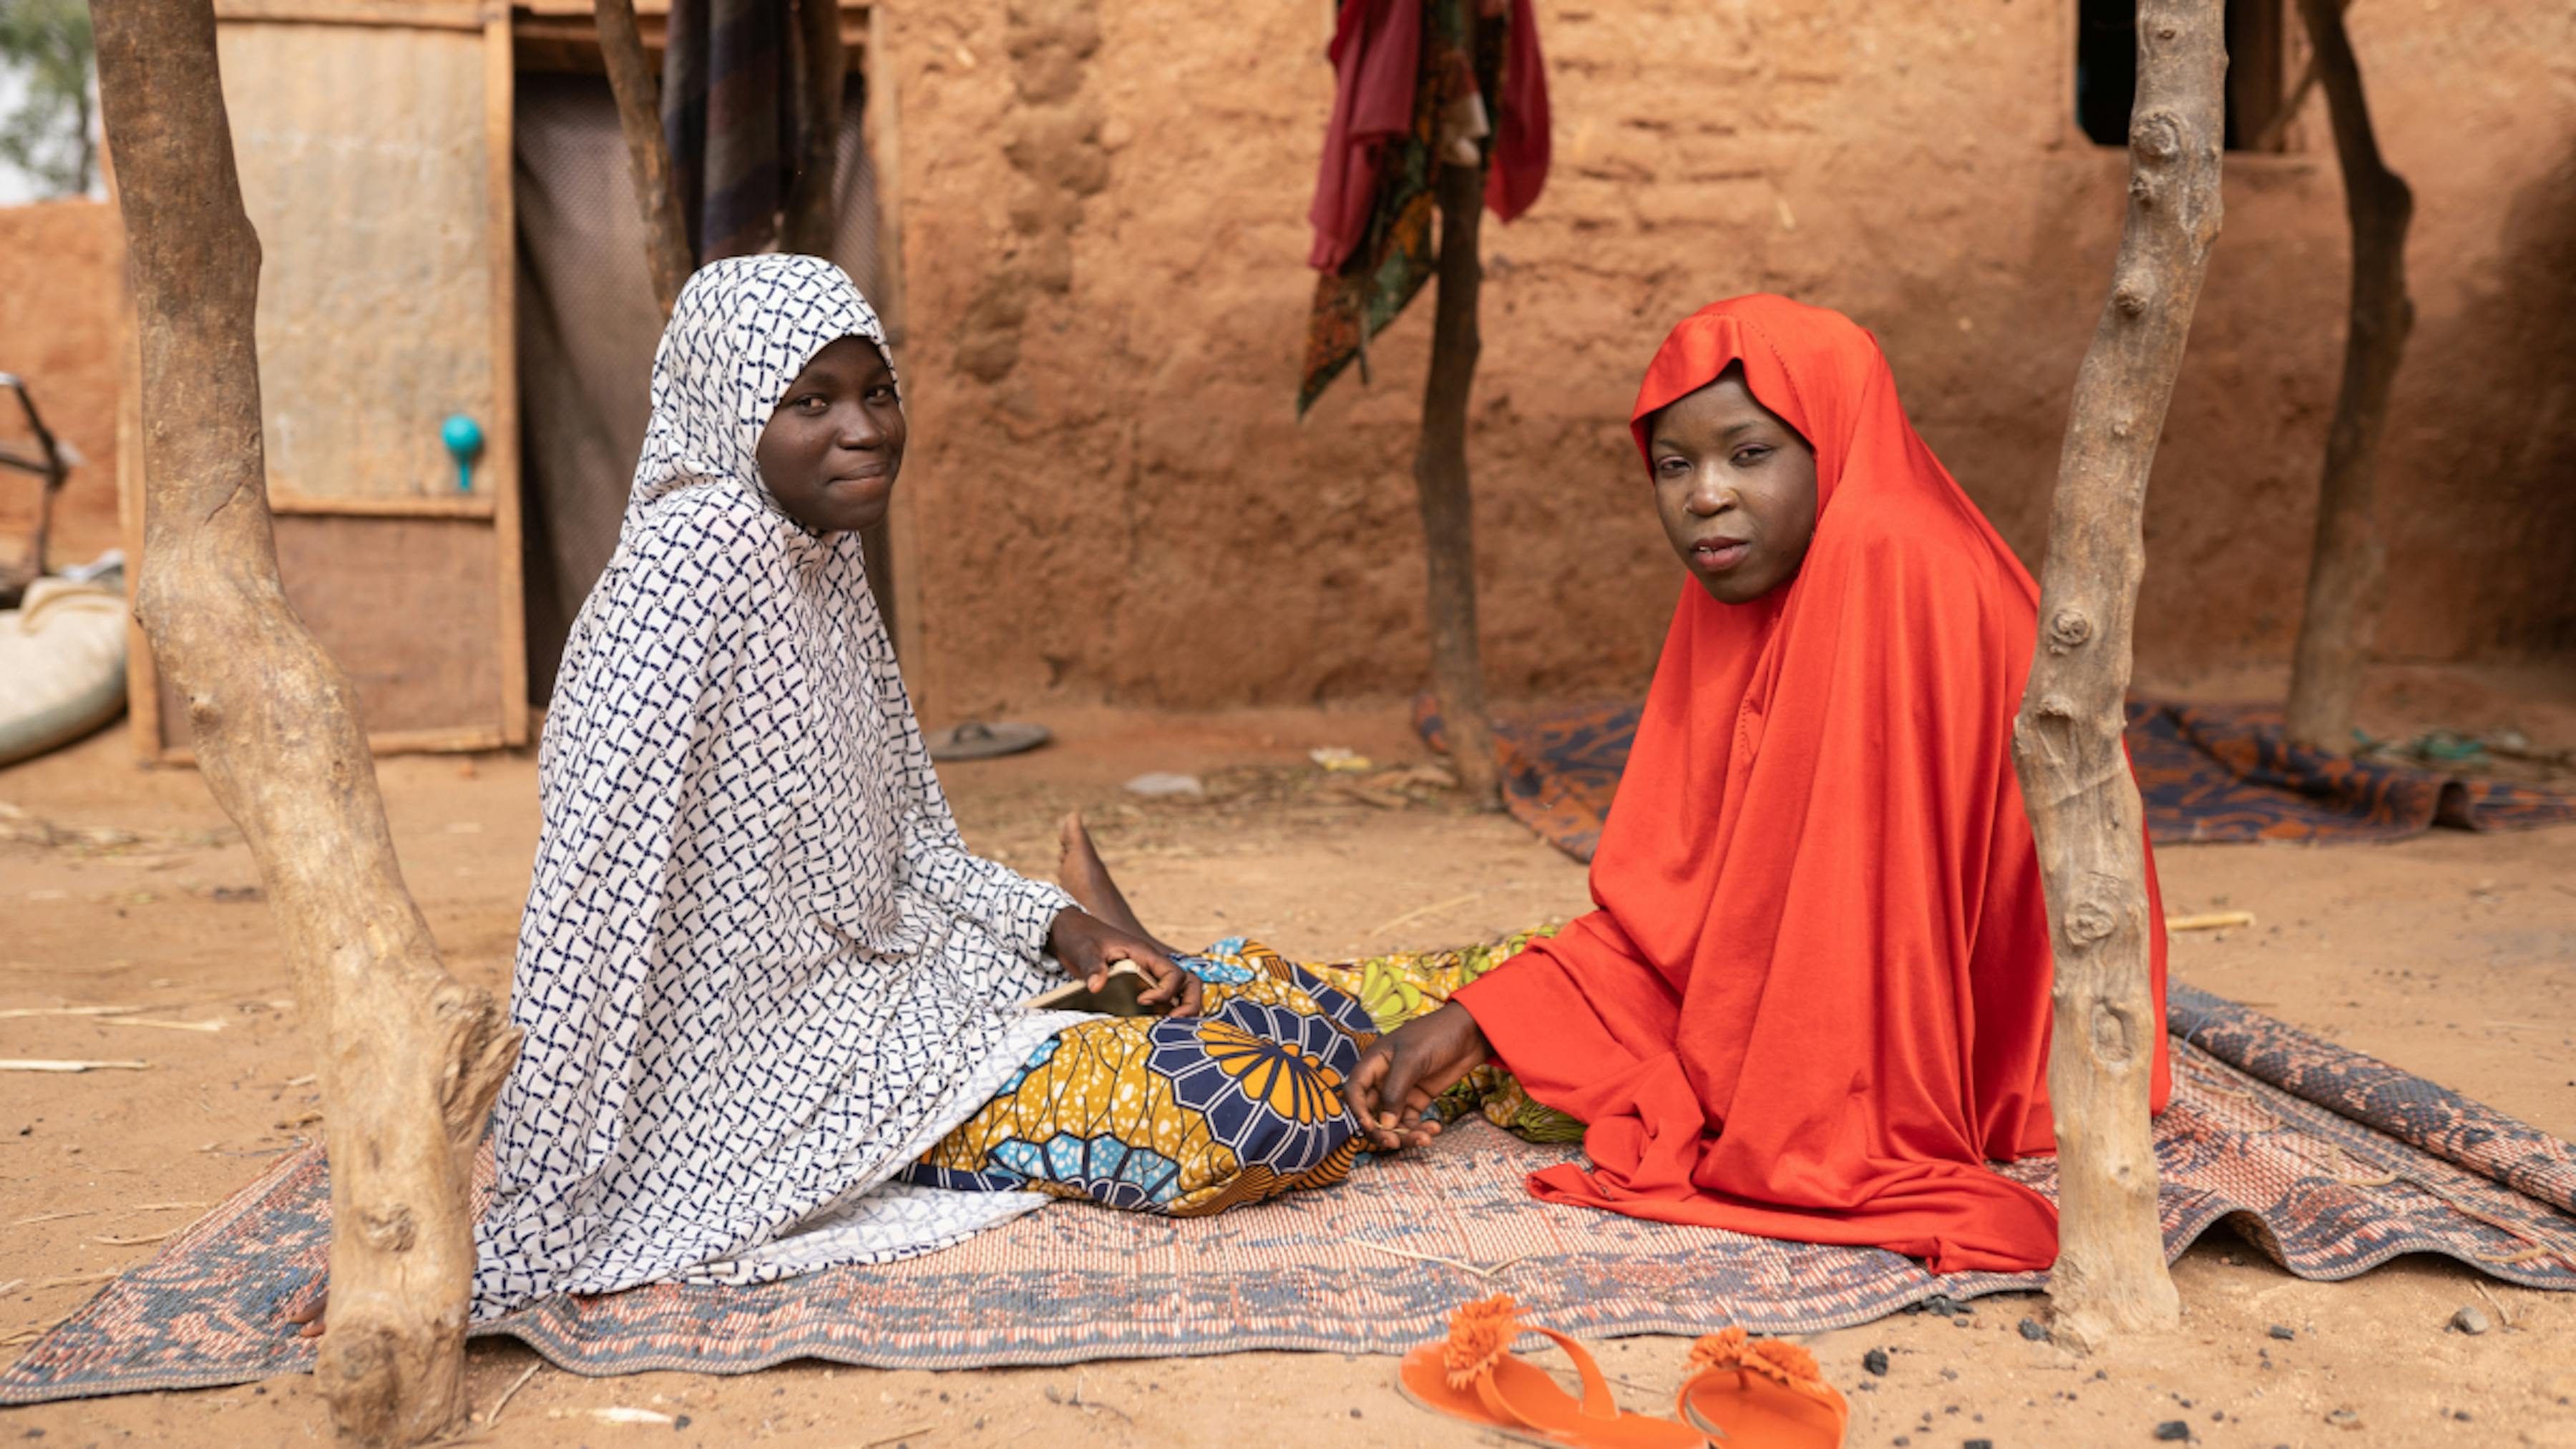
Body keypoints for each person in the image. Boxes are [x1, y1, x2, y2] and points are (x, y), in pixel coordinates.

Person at [1347, 294, 2173, 1276]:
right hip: (1857, 966)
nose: (1704, 495)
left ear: (1836, 440)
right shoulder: (1763, 591)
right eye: (1673, 464)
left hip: (1993, 1040)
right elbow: (1701, 910)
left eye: (1749, 455)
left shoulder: (1893, 565)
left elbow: (1861, 939)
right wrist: (1479, 1026)